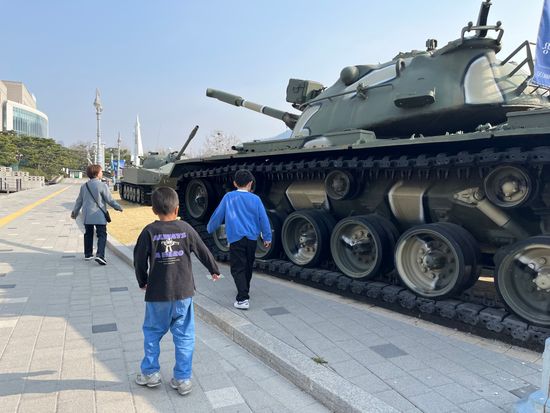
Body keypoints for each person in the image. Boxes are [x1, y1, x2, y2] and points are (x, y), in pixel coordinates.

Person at [133, 187, 220, 395]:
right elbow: (202, 249)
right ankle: (182, 378)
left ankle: (150, 373)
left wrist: (142, 281)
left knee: (152, 333)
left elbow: (139, 260)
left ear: (154, 209)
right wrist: (214, 269)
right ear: (177, 208)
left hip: (157, 294)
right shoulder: (185, 228)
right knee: (184, 335)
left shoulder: (149, 231)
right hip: (183, 293)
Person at [207, 169, 271, 310]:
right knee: (248, 265)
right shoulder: (256, 199)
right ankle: (245, 289)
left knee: (237, 268)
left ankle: (242, 299)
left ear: (235, 183)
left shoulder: (229, 197)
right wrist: (267, 237)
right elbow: (264, 219)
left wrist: (210, 228)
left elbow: (218, 215)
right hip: (252, 239)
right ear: (250, 183)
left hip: (236, 239)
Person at [71, 164, 123, 265]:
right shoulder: (102, 185)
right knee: (102, 235)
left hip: (87, 215)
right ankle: (100, 255)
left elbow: (79, 201)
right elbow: (109, 200)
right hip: (99, 215)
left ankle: (88, 254)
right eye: (101, 171)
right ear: (97, 173)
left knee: (88, 234)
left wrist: (75, 213)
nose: (102, 173)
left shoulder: (84, 186)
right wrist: (118, 207)